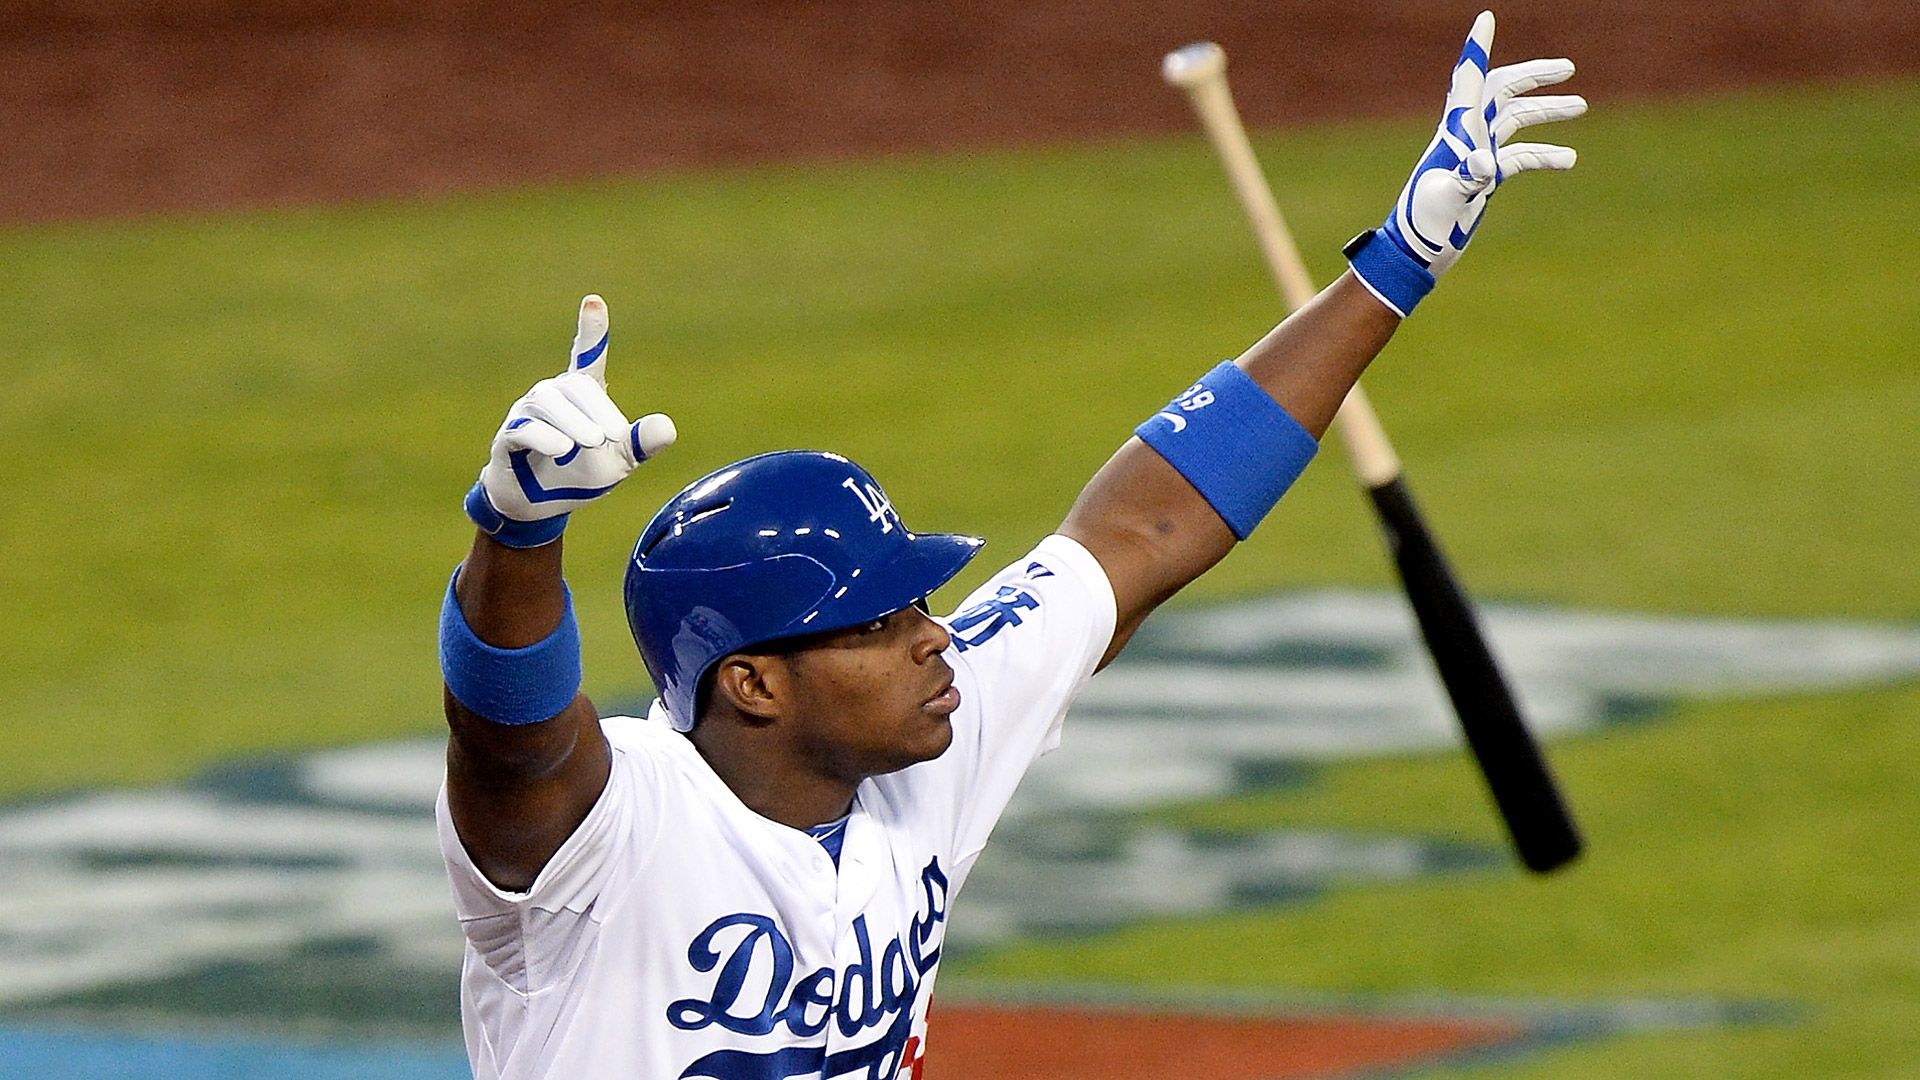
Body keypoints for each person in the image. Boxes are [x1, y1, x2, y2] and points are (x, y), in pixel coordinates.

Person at [435, 12, 1583, 1079]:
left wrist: (1396, 268)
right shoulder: (611, 833)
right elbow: (512, 739)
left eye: (918, 606)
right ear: (752, 682)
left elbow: (1142, 530)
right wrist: (519, 533)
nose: (934, 639)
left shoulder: (922, 741)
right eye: (879, 623)